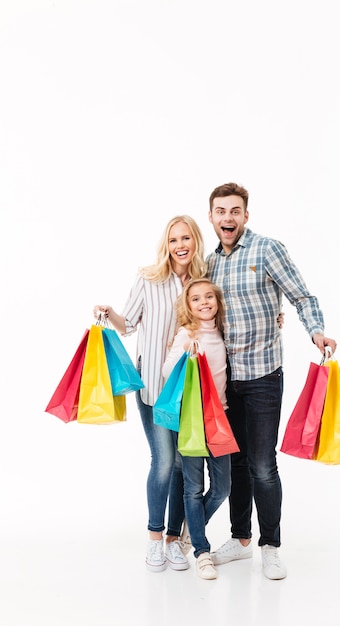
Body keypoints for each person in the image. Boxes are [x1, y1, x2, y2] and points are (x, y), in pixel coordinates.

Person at [205, 182, 337, 580]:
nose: (227, 218)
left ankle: (271, 546)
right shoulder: (208, 263)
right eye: (220, 211)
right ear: (211, 216)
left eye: (234, 211)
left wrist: (316, 332)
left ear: (246, 215)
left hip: (263, 375)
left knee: (263, 465)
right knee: (237, 462)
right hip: (226, 380)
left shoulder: (267, 249)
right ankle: (241, 539)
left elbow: (302, 297)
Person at [93, 215, 207, 573]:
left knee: (181, 467)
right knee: (164, 462)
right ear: (166, 245)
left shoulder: (204, 280)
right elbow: (128, 325)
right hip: (155, 388)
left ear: (195, 242)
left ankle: (175, 541)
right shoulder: (149, 279)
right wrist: (110, 313)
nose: (180, 246)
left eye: (186, 238)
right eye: (174, 240)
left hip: (189, 389)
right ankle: (155, 539)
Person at [162, 278, 231, 580]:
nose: (204, 303)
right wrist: (185, 351)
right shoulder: (186, 334)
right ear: (188, 307)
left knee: (222, 487)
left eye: (208, 297)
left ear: (217, 301)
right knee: (193, 488)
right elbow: (167, 371)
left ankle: (192, 527)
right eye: (196, 299)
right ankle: (202, 552)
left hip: (219, 419)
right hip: (191, 422)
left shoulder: (224, 332)